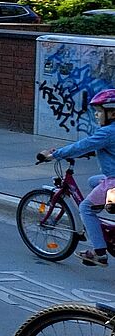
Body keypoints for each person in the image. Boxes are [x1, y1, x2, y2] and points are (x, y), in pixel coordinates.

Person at [40, 88, 115, 266]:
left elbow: (83, 145)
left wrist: (55, 154)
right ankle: (99, 217)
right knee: (93, 181)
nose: (97, 116)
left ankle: (99, 253)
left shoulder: (108, 132)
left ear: (112, 112)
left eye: (99, 112)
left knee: (85, 208)